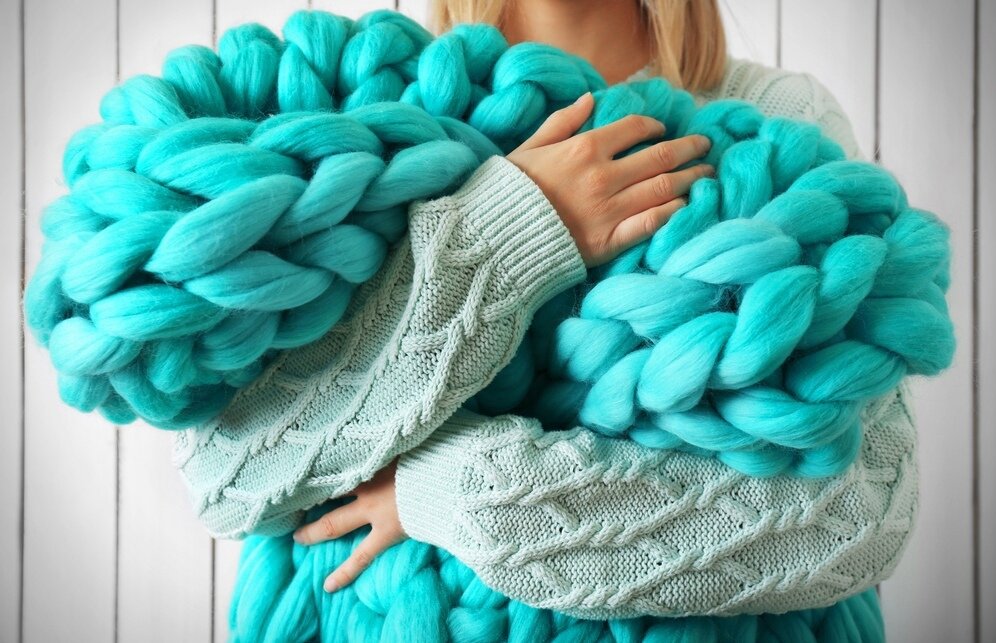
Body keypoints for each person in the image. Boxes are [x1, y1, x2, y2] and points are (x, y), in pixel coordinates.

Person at [174, 0, 917, 619]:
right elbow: (225, 475)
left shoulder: (776, 116)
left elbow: (860, 517)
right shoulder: (367, 108)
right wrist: (512, 228)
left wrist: (447, 489)